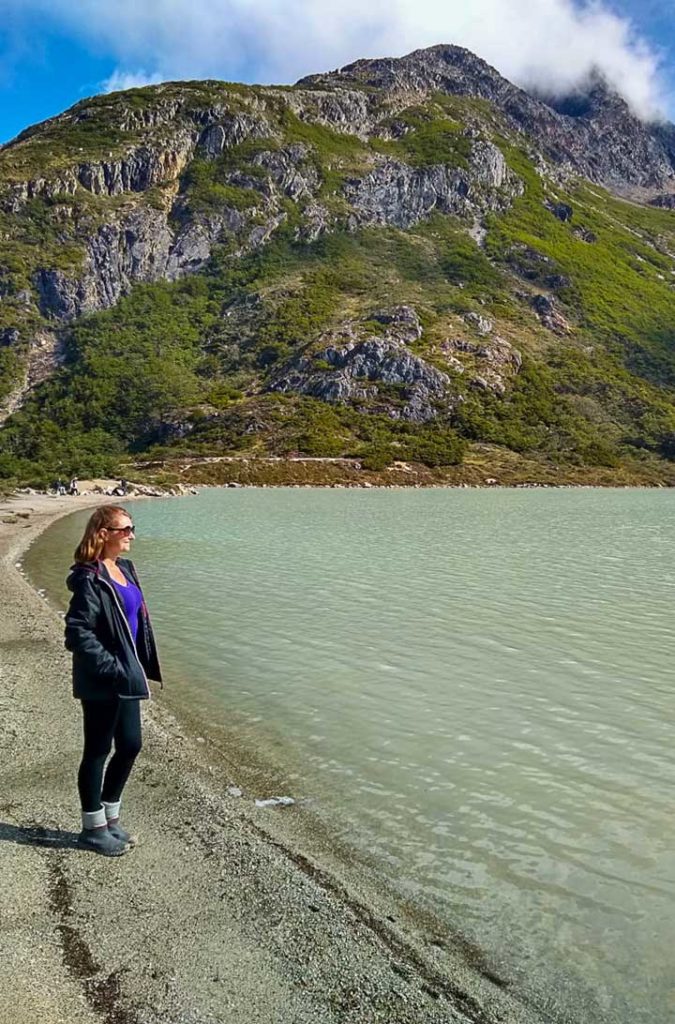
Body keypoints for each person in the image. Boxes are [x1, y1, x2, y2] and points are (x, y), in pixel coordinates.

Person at [64, 505, 162, 856]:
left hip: (126, 676)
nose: (132, 534)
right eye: (125, 529)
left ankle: (110, 818)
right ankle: (92, 829)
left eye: (132, 528)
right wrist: (113, 668)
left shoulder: (124, 569)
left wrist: (139, 664)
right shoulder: (90, 578)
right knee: (97, 751)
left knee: (131, 745)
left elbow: (135, 622)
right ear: (104, 533)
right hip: (105, 679)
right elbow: (77, 632)